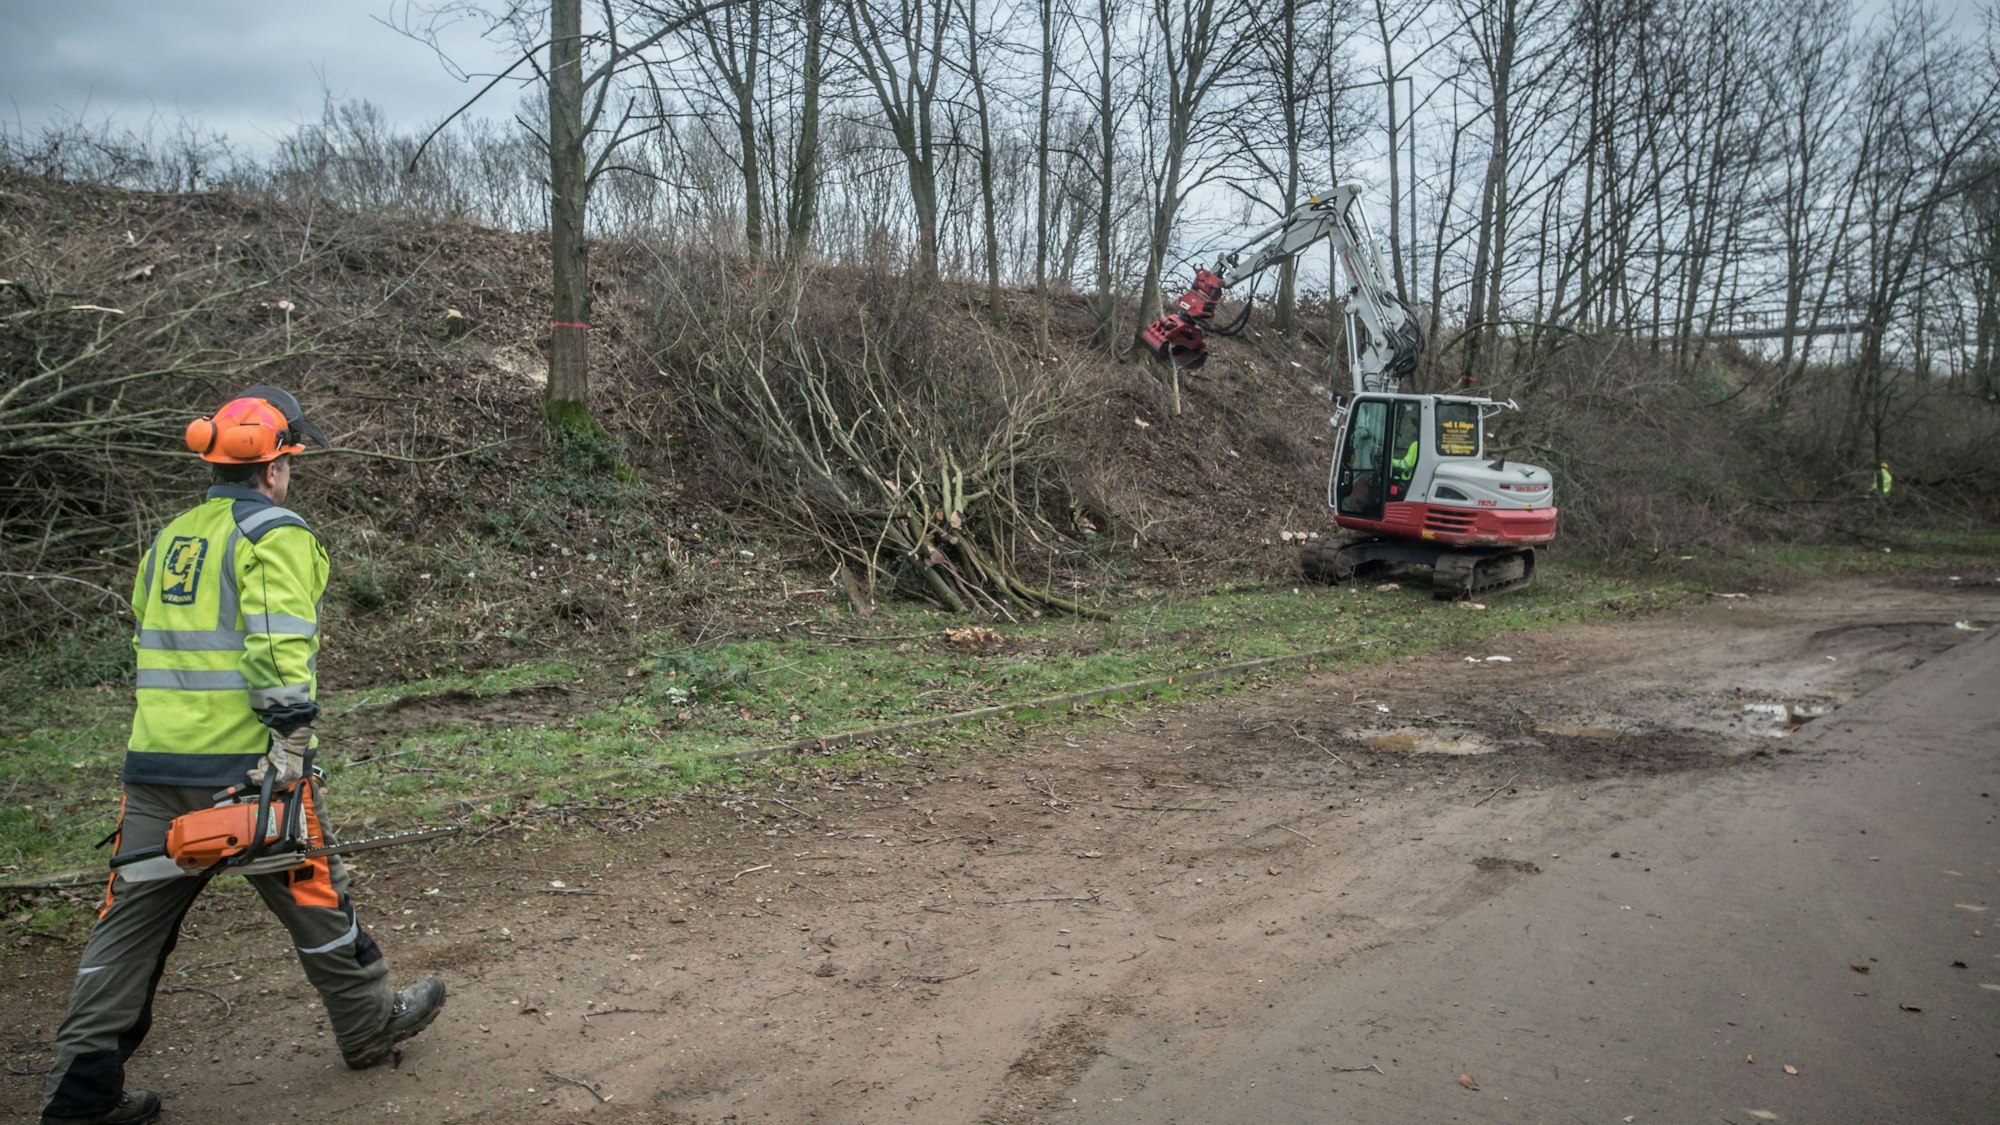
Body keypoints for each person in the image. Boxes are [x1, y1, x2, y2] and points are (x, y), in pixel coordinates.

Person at [39, 387, 445, 1125]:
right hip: (249, 774)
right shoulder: (274, 533)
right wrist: (290, 739)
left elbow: (149, 632)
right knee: (316, 891)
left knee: (124, 931)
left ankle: (80, 1091)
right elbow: (279, 643)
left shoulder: (172, 538)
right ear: (275, 466)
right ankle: (367, 1022)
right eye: (291, 460)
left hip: (155, 773)